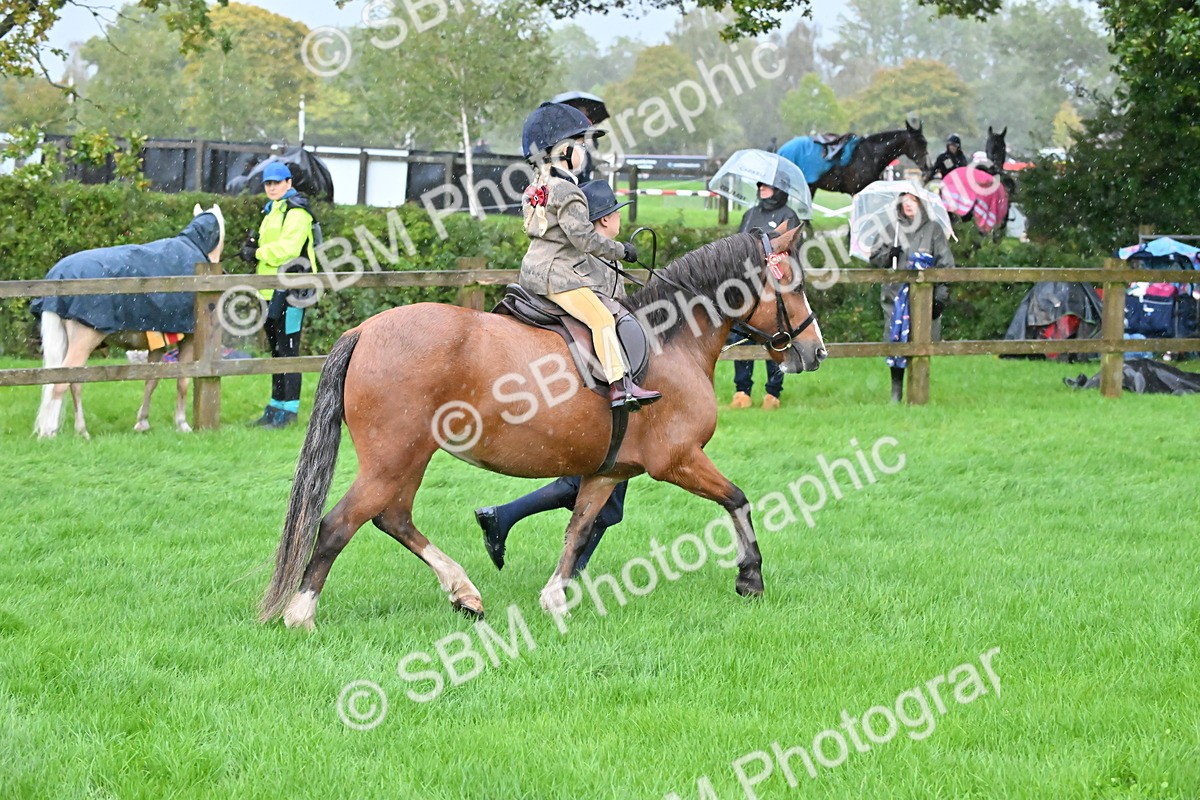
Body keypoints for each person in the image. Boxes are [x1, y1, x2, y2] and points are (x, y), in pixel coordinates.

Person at [476, 178, 633, 574]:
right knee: (598, 489)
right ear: (601, 222)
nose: (619, 219)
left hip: (586, 390)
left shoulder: (591, 259)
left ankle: (507, 519)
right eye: (614, 213)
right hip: (589, 394)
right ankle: (563, 569)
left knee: (599, 490)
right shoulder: (590, 263)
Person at [519, 101, 659, 411]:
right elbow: (583, 239)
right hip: (558, 274)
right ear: (562, 152)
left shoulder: (536, 188)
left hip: (531, 270)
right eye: (580, 145)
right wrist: (623, 251)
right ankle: (620, 387)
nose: (586, 152)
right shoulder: (568, 192)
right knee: (602, 319)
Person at [239, 161, 317, 428]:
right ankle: (275, 408)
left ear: (288, 183)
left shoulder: (297, 213)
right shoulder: (271, 212)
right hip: (271, 289)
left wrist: (258, 252)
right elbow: (269, 246)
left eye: (276, 182)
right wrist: (251, 248)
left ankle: (289, 410)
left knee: (289, 349)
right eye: (268, 183)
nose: (271, 187)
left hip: (294, 289)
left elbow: (288, 249)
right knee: (276, 350)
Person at [869, 192, 955, 403]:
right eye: (904, 200)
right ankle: (896, 392)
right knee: (896, 343)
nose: (908, 205)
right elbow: (875, 259)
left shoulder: (933, 229)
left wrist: (940, 298)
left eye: (913, 200)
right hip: (895, 297)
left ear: (921, 203)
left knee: (921, 344)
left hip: (924, 299)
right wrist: (889, 254)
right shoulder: (890, 228)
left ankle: (919, 394)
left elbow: (946, 265)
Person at [729, 181, 802, 410]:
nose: (761, 187)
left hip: (774, 291)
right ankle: (742, 391)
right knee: (740, 336)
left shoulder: (788, 215)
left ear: (779, 188)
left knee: (776, 338)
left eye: (767, 185)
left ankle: (773, 393)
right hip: (747, 289)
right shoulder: (750, 214)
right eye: (759, 184)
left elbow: (793, 252)